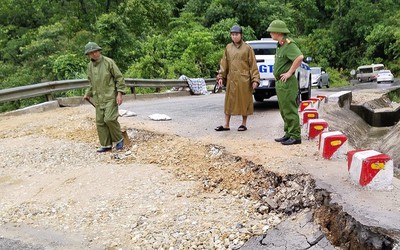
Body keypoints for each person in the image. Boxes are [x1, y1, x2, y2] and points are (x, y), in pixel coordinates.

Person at [215, 25, 260, 132]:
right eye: (233, 35)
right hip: (231, 79)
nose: (235, 37)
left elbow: (253, 65)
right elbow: (224, 64)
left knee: (244, 101)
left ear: (241, 35)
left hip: (244, 79)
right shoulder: (228, 48)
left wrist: (255, 79)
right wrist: (221, 76)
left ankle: (243, 124)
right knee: (229, 102)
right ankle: (226, 124)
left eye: (237, 34)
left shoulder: (247, 48)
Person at [83, 42, 126, 152]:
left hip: (110, 96)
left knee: (110, 119)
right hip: (98, 98)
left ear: (99, 51)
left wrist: (120, 93)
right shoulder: (90, 67)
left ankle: (119, 140)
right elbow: (92, 83)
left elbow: (119, 78)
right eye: (91, 53)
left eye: (95, 51)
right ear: (88, 55)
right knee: (100, 122)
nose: (94, 54)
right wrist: (88, 94)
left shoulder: (108, 62)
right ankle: (106, 145)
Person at [267, 20, 304, 145]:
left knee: (290, 109)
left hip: (287, 82)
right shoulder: (280, 45)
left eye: (272, 31)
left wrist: (289, 72)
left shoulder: (289, 44)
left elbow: (299, 57)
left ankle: (295, 136)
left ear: (278, 32)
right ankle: (288, 133)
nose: (270, 33)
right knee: (283, 110)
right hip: (280, 83)